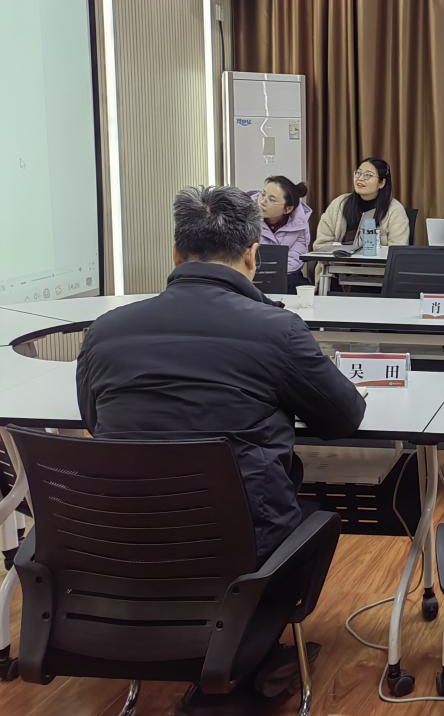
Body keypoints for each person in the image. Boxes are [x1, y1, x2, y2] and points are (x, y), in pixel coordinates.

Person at [77, 187, 366, 564]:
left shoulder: (103, 331)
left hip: (122, 548)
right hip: (245, 552)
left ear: (176, 254)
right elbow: (343, 417)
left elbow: (94, 420)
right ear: (252, 255)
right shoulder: (278, 330)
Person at [314, 156, 410, 249]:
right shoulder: (339, 204)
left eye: (368, 175)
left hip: (377, 261)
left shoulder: (395, 210)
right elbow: (320, 245)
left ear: (381, 183)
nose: (360, 178)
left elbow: (397, 251)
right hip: (339, 260)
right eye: (358, 173)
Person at [251, 175, 312, 292]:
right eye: (263, 194)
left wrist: (271, 272)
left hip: (285, 275)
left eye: (272, 199)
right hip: (252, 272)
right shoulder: (246, 215)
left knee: (296, 284)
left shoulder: (300, 223)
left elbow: (295, 260)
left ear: (287, 209)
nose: (262, 201)